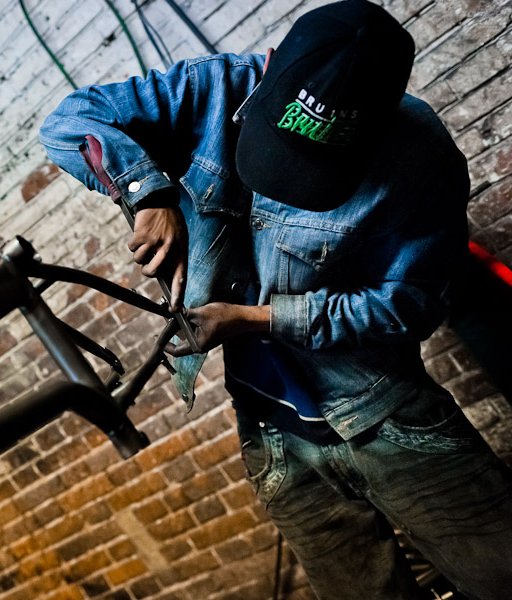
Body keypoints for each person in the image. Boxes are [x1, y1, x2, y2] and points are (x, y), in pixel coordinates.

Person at [39, 1, 512, 598]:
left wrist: (257, 320)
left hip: (383, 413)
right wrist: (144, 192)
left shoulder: (419, 158)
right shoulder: (211, 87)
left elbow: (412, 304)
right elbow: (68, 121)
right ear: (270, 76)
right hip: (274, 436)